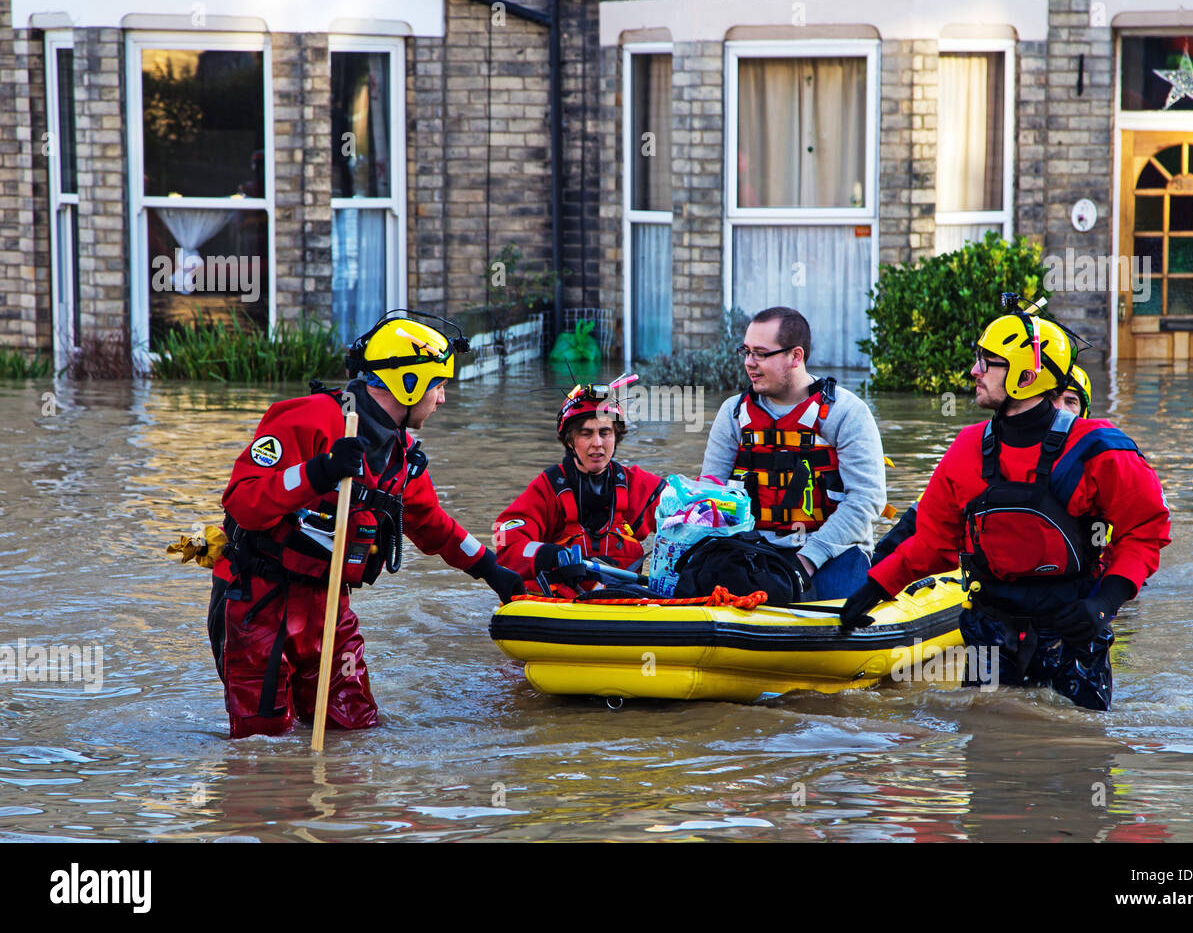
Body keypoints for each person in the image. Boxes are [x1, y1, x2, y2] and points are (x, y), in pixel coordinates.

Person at [208, 313, 523, 739]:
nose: (442, 400)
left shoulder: (402, 456)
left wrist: (490, 569)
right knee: (264, 745)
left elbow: (433, 525)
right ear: (408, 383)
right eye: (439, 386)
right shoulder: (309, 418)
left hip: (329, 606)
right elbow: (243, 501)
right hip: (257, 603)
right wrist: (319, 472)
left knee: (354, 732)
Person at [841, 312, 1169, 710]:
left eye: (987, 361)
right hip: (989, 633)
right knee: (988, 753)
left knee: (1080, 756)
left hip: (1074, 631)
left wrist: (1104, 604)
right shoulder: (967, 447)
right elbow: (932, 542)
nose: (974, 371)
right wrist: (873, 589)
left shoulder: (1099, 449)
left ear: (1026, 377)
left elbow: (1145, 530)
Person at [700, 306, 887, 600]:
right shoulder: (732, 413)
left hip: (833, 552)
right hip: (753, 550)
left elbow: (866, 500)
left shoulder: (847, 413)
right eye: (746, 351)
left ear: (795, 356)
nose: (749, 363)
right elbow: (710, 490)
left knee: (835, 611)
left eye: (761, 353)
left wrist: (806, 560)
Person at [870, 363, 1094, 567]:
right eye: (1051, 399)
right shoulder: (978, 453)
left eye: (1070, 401)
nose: (1059, 409)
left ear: (1084, 412)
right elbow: (921, 523)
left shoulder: (1097, 468)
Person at [495, 380, 666, 597]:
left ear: (616, 436)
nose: (597, 443)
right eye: (586, 434)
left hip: (624, 604)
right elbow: (504, 541)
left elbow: (690, 515)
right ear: (569, 441)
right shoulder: (547, 489)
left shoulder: (638, 486)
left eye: (605, 432)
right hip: (561, 607)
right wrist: (547, 554)